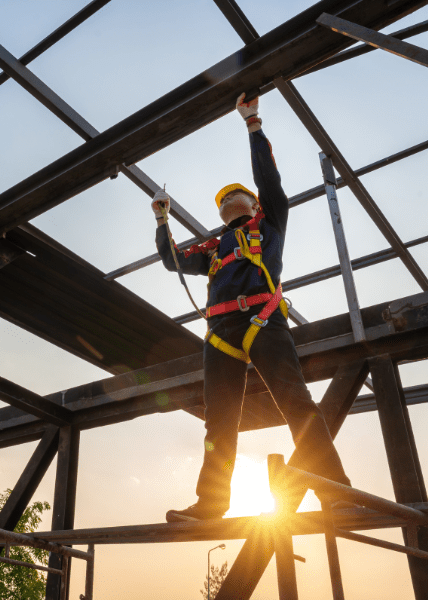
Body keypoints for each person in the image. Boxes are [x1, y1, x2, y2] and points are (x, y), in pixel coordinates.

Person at [152, 93, 351, 522]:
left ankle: (337, 495)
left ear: (254, 204)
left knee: (297, 405)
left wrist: (253, 124)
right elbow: (172, 260)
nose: (228, 200)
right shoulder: (212, 249)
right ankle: (211, 504)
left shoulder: (270, 222)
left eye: (235, 195)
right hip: (220, 334)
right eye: (222, 199)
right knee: (218, 424)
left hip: (264, 321)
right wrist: (161, 220)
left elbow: (270, 182)